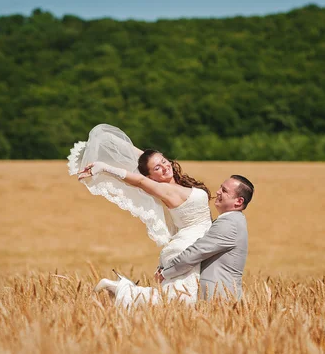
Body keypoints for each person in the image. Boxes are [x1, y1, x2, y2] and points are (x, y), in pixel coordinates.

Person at [68, 124, 213, 307]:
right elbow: (140, 180)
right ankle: (122, 288)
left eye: (164, 161)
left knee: (175, 298)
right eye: (157, 168)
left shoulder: (177, 184)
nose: (164, 167)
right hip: (187, 248)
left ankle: (121, 290)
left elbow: (146, 159)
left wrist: (118, 143)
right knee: (180, 300)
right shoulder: (165, 190)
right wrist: (105, 167)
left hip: (189, 244)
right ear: (153, 177)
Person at [156, 175, 253, 301]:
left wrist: (165, 273)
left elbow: (196, 252)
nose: (218, 191)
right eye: (220, 188)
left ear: (238, 201)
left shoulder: (229, 224)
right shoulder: (232, 221)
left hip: (219, 298)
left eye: (224, 191)